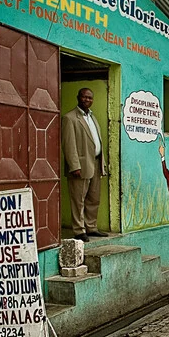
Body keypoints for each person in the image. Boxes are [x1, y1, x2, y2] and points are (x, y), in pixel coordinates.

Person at [62, 88, 108, 241]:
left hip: (95, 163)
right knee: (78, 199)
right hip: (80, 166)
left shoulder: (92, 117)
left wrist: (103, 163)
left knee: (93, 198)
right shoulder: (70, 118)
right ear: (78, 97)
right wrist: (74, 165)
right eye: (84, 97)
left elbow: (96, 141)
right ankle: (79, 230)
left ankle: (91, 227)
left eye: (90, 98)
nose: (87, 100)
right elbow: (69, 144)